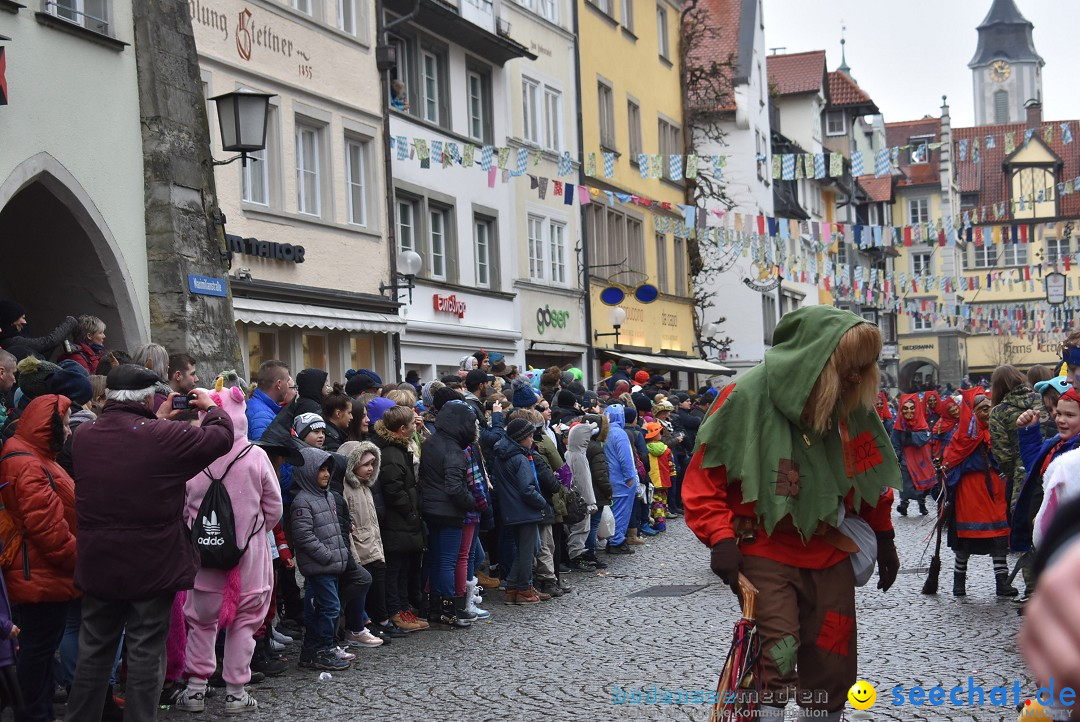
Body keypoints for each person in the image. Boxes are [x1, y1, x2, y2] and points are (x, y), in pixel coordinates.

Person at [683, 306, 900, 722]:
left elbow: (868, 478)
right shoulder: (744, 396)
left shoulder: (851, 404)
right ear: (815, 358)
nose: (857, 378)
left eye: (863, 368)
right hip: (765, 548)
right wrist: (720, 538)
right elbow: (703, 480)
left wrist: (885, 537)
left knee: (833, 661)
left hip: (831, 550)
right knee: (775, 654)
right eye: (849, 367)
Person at [65, 364, 233, 722]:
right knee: (145, 652)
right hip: (152, 562)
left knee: (94, 650)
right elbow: (220, 438)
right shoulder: (159, 436)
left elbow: (128, 452)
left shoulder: (83, 436)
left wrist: (156, 419)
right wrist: (212, 407)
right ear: (145, 397)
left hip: (99, 561)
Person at [176, 380, 282, 714]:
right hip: (248, 559)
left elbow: (181, 504)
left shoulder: (191, 455)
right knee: (244, 625)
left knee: (201, 623)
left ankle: (195, 690)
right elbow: (274, 508)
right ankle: (236, 692)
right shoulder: (257, 456)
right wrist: (249, 534)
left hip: (203, 557)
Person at [0, 394, 78, 722]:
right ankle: (35, 715)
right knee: (38, 652)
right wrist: (82, 561)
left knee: (40, 652)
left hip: (40, 574)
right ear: (48, 426)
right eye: (64, 422)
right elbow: (49, 533)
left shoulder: (32, 456)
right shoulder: (29, 463)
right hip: (39, 577)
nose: (69, 430)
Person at [943, 389, 1014, 597]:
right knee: (965, 541)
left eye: (990, 407)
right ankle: (959, 582)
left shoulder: (995, 431)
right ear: (972, 412)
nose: (988, 412)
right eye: (983, 409)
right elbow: (952, 459)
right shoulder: (962, 435)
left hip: (994, 490)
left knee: (999, 535)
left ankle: (1002, 582)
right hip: (970, 492)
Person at [290, 447, 351, 671]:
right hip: (320, 566)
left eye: (328, 469)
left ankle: (310, 651)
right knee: (330, 608)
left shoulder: (327, 497)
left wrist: (340, 552)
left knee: (319, 609)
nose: (326, 474)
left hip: (331, 564)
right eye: (320, 470)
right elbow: (304, 536)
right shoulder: (303, 501)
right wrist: (328, 555)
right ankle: (324, 649)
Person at [418, 401, 476, 626]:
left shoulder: (432, 441)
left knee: (435, 560)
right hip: (449, 512)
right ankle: (447, 611)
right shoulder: (454, 450)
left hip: (430, 509)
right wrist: (471, 502)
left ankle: (434, 608)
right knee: (447, 562)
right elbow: (455, 487)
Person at [372, 405, 427, 633]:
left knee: (404, 568)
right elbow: (394, 490)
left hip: (404, 520)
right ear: (402, 429)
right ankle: (396, 611)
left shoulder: (398, 449)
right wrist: (411, 512)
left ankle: (404, 608)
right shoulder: (392, 455)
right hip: (398, 522)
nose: (416, 427)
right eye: (412, 425)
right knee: (395, 569)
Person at [337, 439, 393, 648]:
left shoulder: (365, 486)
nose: (370, 469)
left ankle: (366, 621)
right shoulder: (346, 488)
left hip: (371, 545)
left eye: (372, 464)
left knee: (371, 584)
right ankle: (357, 626)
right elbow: (349, 523)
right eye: (365, 464)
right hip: (359, 548)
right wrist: (354, 554)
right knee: (359, 586)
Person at [491, 418, 552, 605]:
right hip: (524, 510)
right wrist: (543, 503)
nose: (532, 440)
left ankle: (514, 588)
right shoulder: (519, 458)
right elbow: (527, 489)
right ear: (520, 438)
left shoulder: (502, 455)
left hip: (511, 510)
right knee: (527, 551)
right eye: (529, 436)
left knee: (525, 550)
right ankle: (523, 589)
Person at [988, 364, 1040, 511]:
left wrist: (1016, 471)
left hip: (1022, 474)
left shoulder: (998, 412)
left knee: (1023, 520)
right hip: (1049, 464)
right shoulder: (1041, 399)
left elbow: (1001, 454)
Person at [602, 404, 638, 554]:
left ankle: (612, 539)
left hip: (608, 477)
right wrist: (630, 477)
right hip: (621, 480)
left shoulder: (604, 432)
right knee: (621, 512)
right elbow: (626, 458)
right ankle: (617, 541)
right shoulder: (620, 433)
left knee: (612, 511)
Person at [891, 394, 935, 516]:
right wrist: (897, 455)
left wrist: (911, 435)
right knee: (905, 482)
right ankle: (904, 503)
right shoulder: (898, 426)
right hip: (905, 458)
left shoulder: (921, 423)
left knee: (920, 482)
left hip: (920, 458)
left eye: (911, 408)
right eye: (905, 408)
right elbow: (894, 442)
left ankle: (921, 503)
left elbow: (924, 438)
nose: (909, 411)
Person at [0, 301, 76, 358]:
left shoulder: (12, 340)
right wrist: (70, 322)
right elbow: (49, 342)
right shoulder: (12, 342)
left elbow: (44, 351)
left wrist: (60, 336)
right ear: (11, 319)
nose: (25, 322)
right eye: (23, 318)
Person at [246, 360, 293, 441]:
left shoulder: (264, 408)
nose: (288, 385)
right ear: (279, 384)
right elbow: (266, 451)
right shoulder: (261, 415)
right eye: (287, 381)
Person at [321, 384, 353, 453]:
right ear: (338, 413)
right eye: (349, 413)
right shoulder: (331, 443)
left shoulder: (333, 435)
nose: (351, 417)